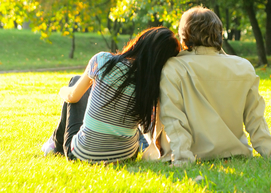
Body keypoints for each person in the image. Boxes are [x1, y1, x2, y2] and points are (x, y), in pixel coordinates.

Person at [147, 6, 271, 166]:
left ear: (184, 36)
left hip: (190, 154)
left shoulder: (173, 67)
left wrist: (182, 159)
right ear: (219, 33)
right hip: (234, 152)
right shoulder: (243, 66)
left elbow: (173, 118)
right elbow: (255, 118)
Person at [41, 27, 180, 164]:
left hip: (82, 154)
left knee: (76, 81)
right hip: (126, 156)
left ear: (140, 41)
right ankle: (54, 143)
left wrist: (62, 90)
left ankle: (56, 145)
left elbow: (72, 97)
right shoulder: (153, 85)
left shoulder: (103, 60)